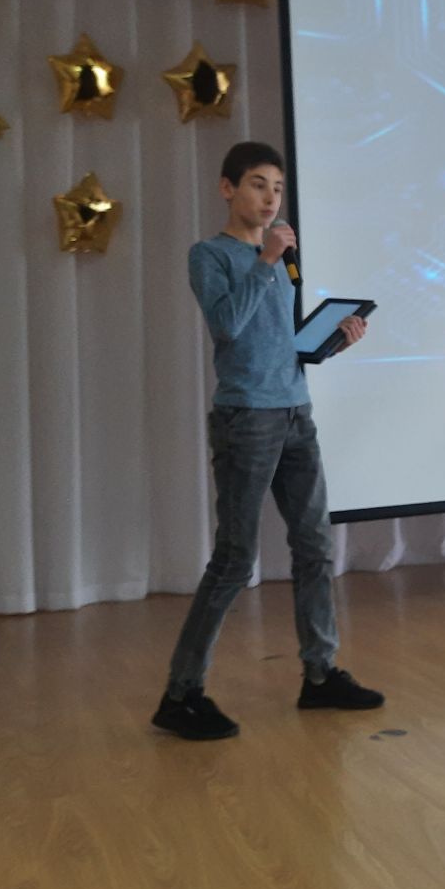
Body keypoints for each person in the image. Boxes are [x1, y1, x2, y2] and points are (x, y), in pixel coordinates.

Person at [153, 141, 384, 741]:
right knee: (234, 559)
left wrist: (332, 341)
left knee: (314, 546)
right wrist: (267, 260)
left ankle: (320, 674)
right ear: (228, 188)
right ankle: (181, 694)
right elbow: (228, 326)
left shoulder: (279, 261)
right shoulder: (210, 255)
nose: (270, 198)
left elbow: (281, 343)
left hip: (295, 412)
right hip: (246, 421)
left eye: (277, 189)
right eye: (258, 184)